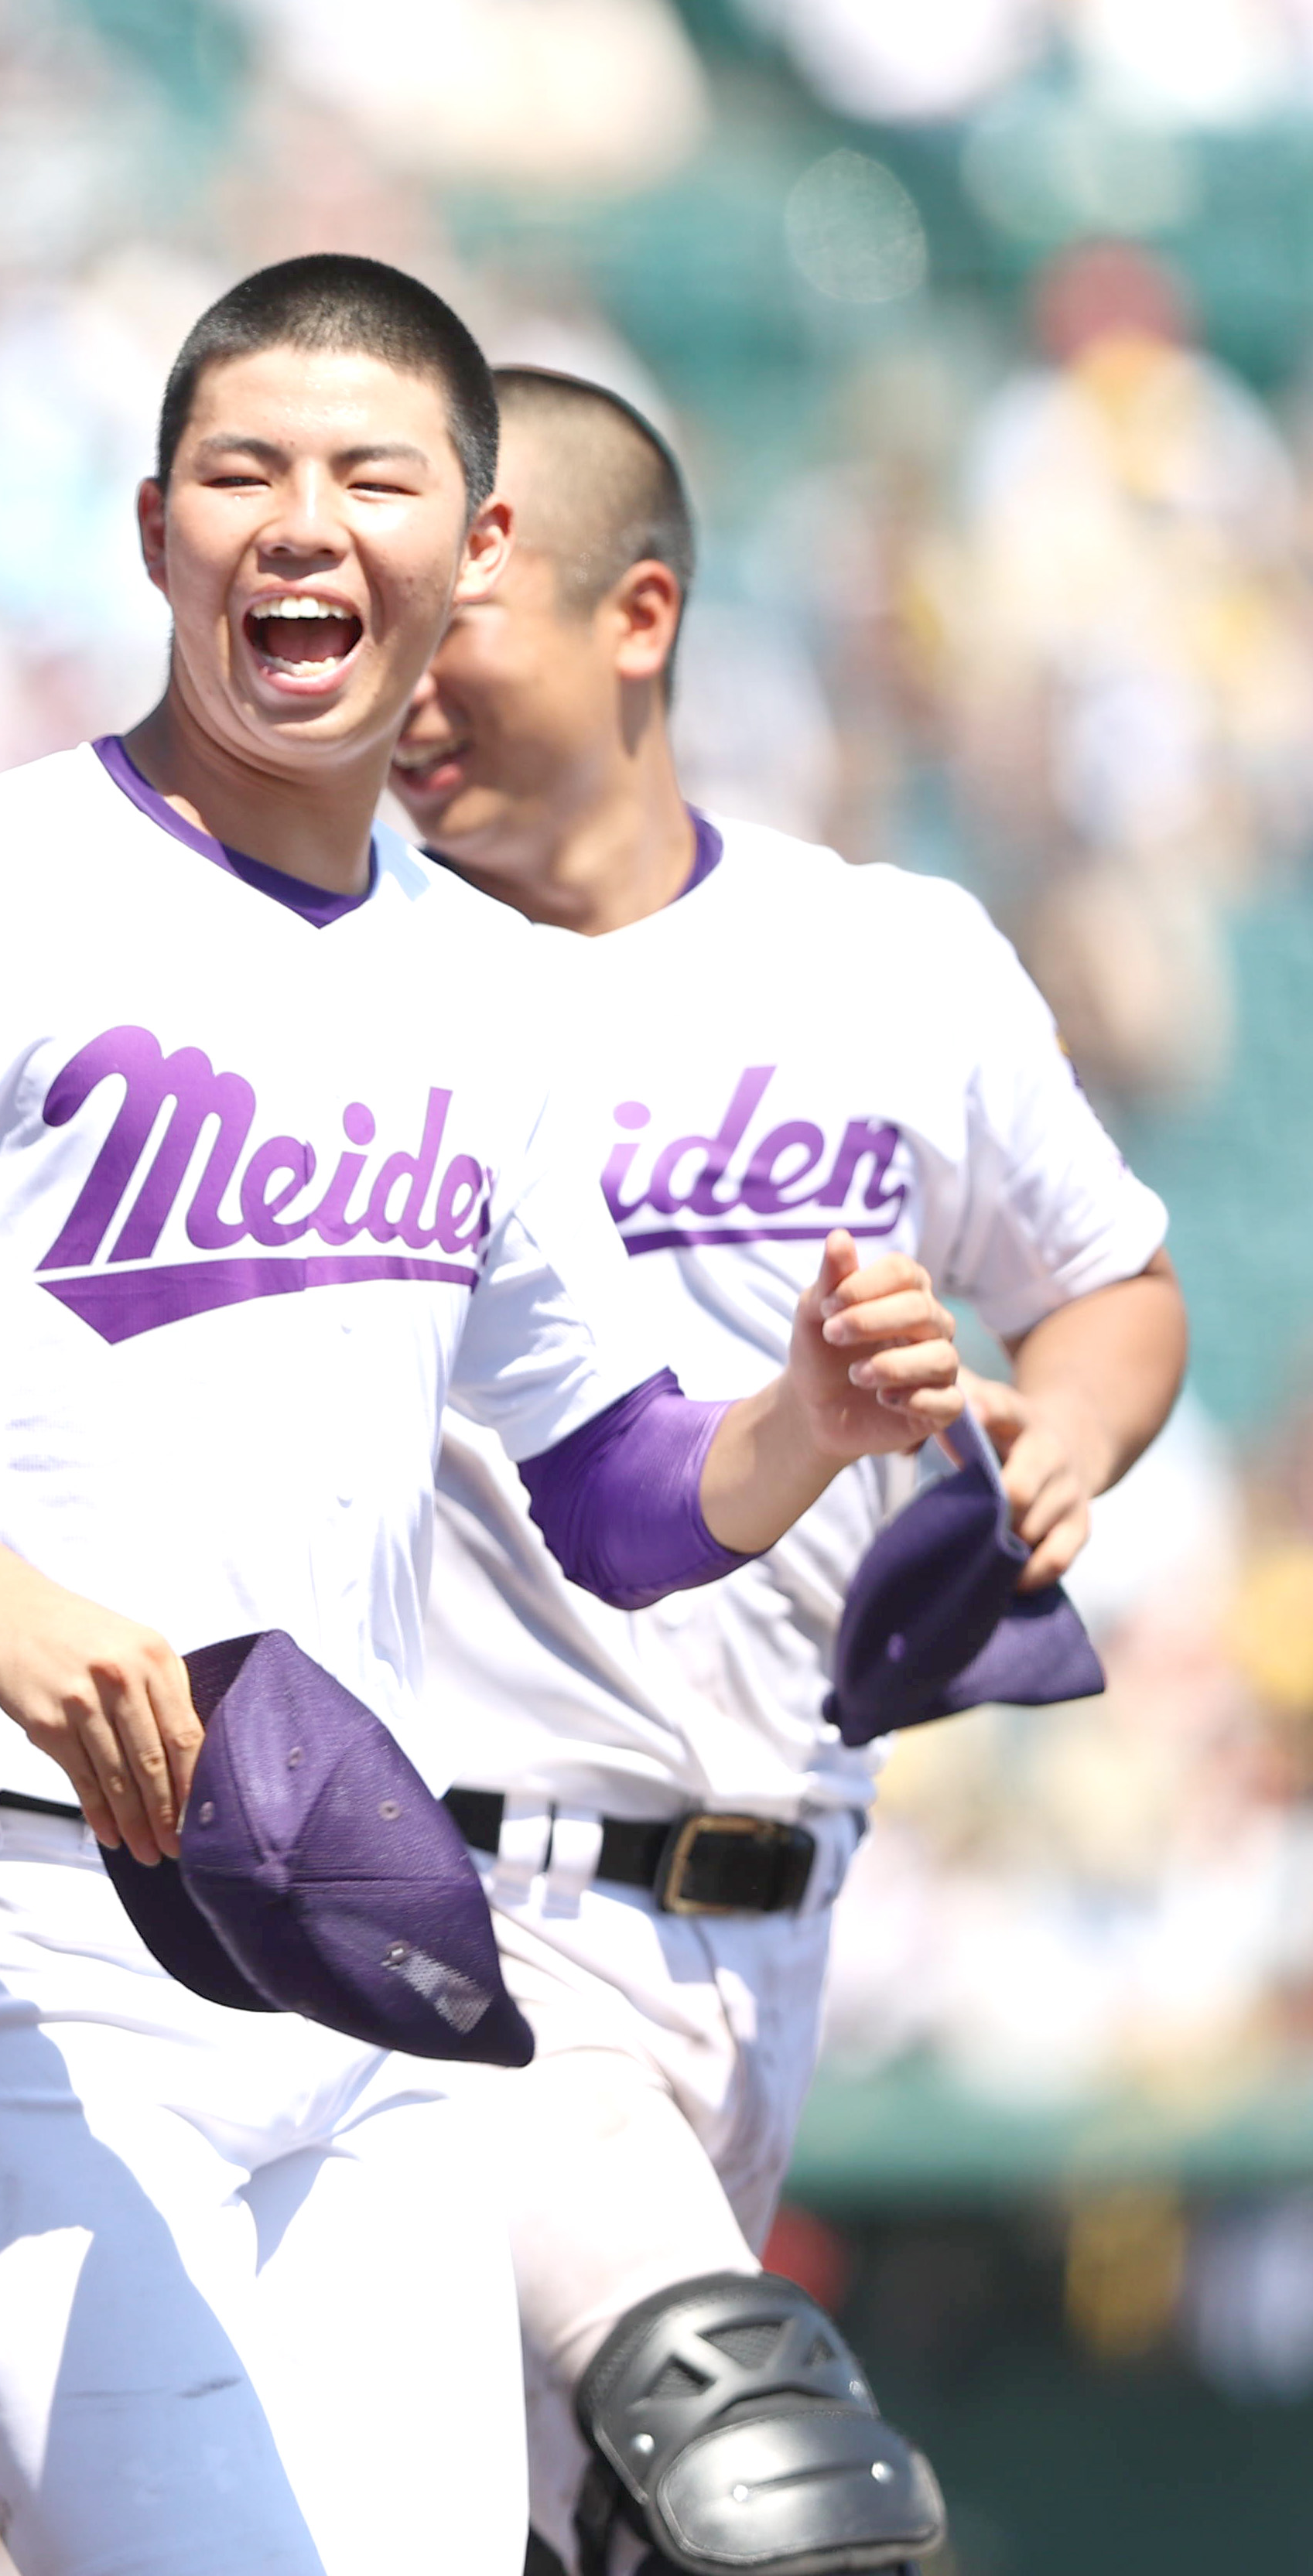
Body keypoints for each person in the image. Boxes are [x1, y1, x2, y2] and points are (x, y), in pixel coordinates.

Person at [0, 255, 966, 2576]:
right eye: (242, 472)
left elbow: (622, 1501)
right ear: (151, 526)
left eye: (370, 479)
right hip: (4, 1923)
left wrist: (804, 1422)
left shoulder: (479, 984)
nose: (298, 523)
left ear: (468, 558)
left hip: (348, 1944)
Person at [390, 366, 1185, 2576]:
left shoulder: (879, 956)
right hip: (463, 1908)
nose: (391, 679)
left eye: (448, 619)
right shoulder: (334, 984)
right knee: (769, 2508)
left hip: (773, 1930)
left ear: (630, 615)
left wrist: (1071, 1437)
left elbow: (1112, 1283)